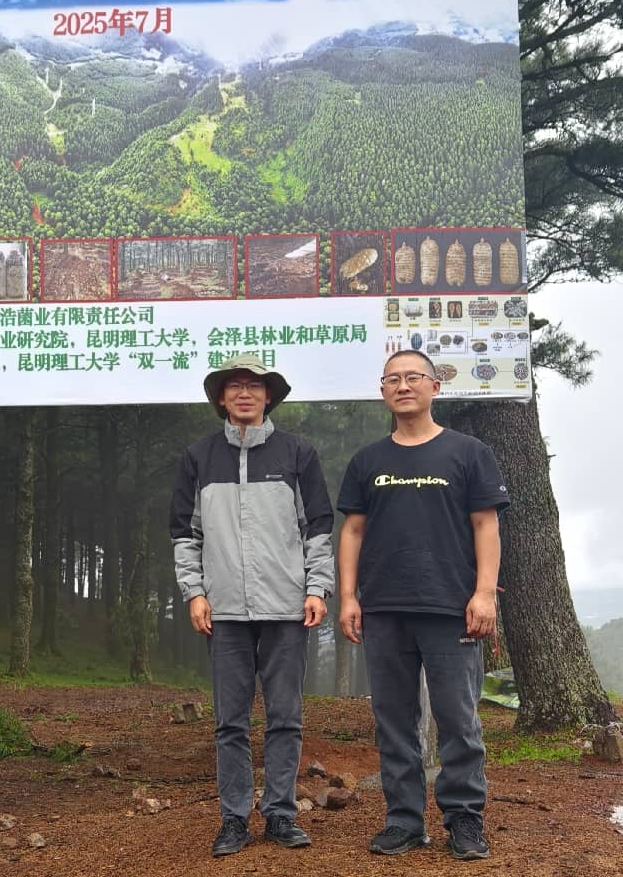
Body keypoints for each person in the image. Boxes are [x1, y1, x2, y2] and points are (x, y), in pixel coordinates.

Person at [336, 349, 509, 861]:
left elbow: (486, 525)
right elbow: (353, 531)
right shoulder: (368, 461)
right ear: (382, 391)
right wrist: (348, 597)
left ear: (436, 386)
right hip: (384, 607)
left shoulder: (468, 452)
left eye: (414, 377)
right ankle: (404, 821)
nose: (403, 385)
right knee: (393, 720)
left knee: (459, 720)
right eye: (393, 379)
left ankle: (464, 818)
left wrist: (484, 592)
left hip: (450, 607)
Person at [170, 353, 334, 858]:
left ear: (269, 397)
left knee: (285, 716)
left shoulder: (297, 453)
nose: (245, 393)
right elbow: (185, 533)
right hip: (224, 611)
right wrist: (195, 592)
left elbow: (318, 527)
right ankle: (234, 819)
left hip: (286, 607)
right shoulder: (199, 457)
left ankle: (281, 814)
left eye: (255, 386)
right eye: (234, 386)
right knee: (230, 722)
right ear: (221, 398)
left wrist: (317, 587)